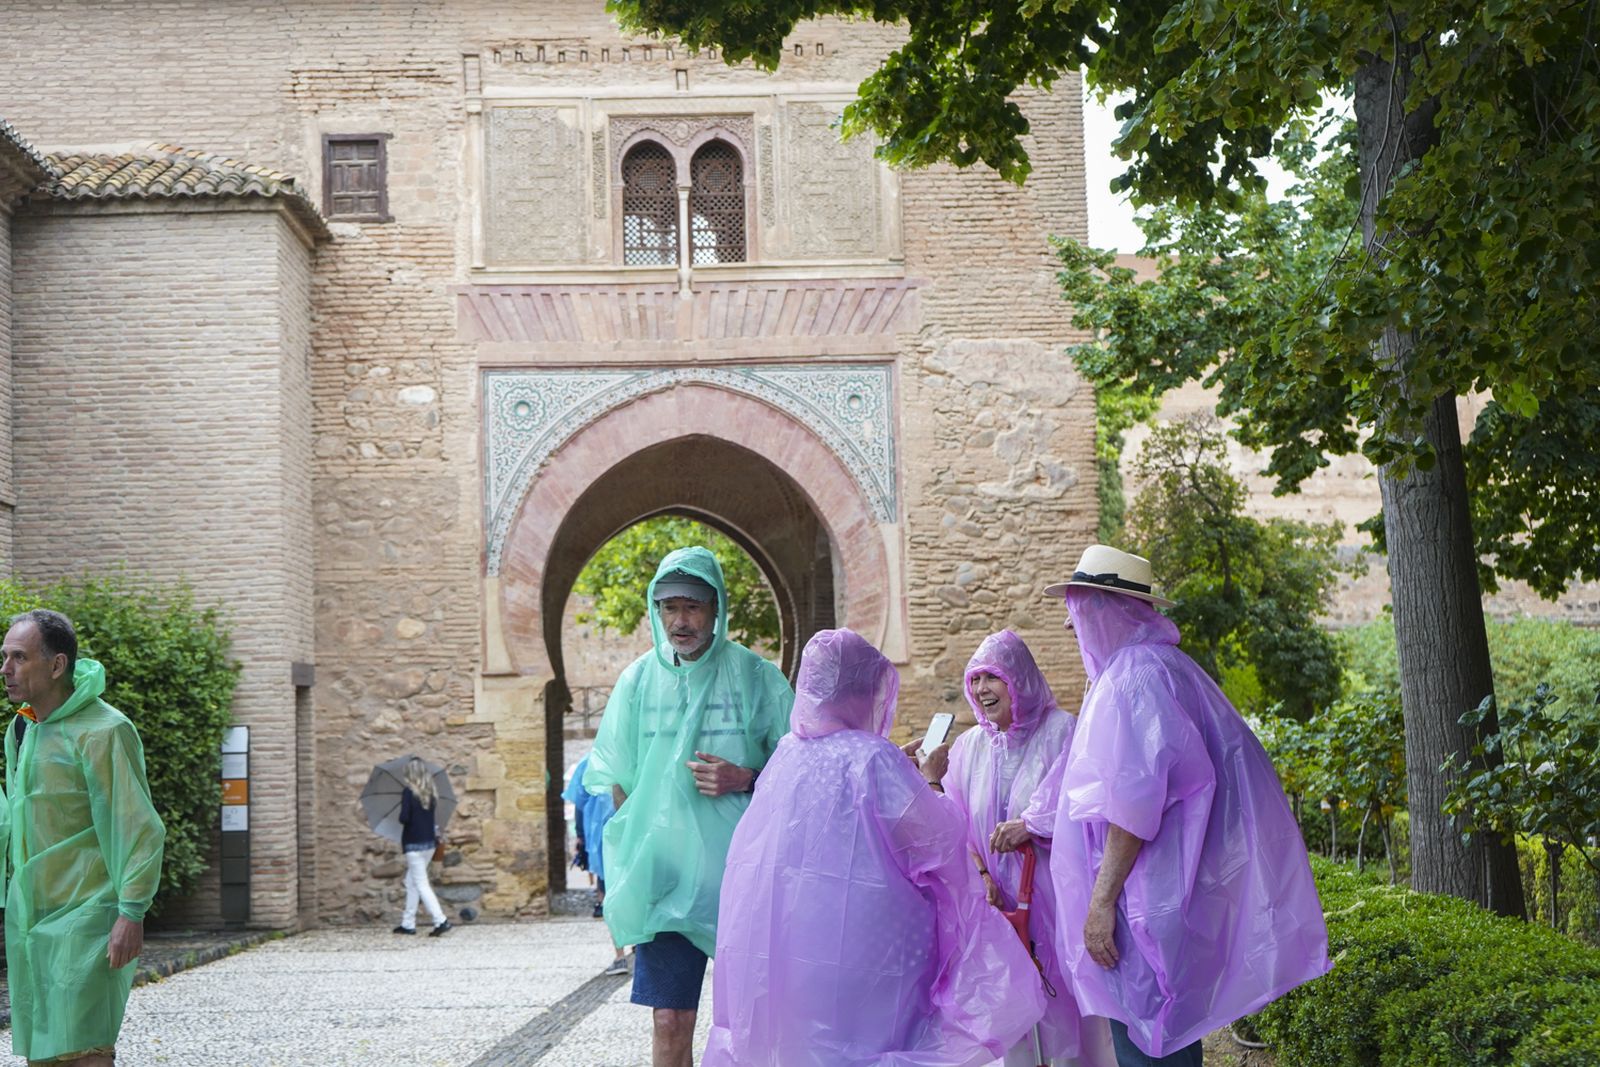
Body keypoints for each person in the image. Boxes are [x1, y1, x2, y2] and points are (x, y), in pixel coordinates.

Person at [1022, 545, 1329, 1066]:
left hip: (1141, 902)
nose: (1071, 623)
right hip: (1162, 896)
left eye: (1078, 606)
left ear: (1106, 608)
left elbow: (1131, 807)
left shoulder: (1134, 679)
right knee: (1167, 1034)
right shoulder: (1165, 667)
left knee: (1149, 1040)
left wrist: (1101, 903)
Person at [704, 628, 1046, 1067]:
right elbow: (937, 840)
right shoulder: (873, 758)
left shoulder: (788, 754)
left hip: (794, 948)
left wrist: (893, 764)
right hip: (868, 954)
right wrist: (928, 780)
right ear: (864, 691)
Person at [584, 546, 793, 1067]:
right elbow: (618, 779)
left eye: (693, 606)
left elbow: (801, 773)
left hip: (743, 877)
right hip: (666, 880)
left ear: (716, 606)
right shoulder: (637, 682)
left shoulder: (755, 677)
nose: (680, 620)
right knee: (669, 1019)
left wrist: (745, 778)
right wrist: (640, 856)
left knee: (753, 1020)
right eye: (669, 607)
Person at [930, 631, 1116, 1067]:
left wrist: (1031, 825)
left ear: (1019, 679)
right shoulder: (970, 747)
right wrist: (981, 874)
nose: (982, 689)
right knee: (1009, 1011)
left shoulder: (1061, 732)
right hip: (997, 906)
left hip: (1053, 899)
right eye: (975, 680)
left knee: (1063, 1005)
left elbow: (1078, 799)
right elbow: (954, 823)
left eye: (992, 677)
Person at [1, 609, 166, 1067]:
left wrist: (131, 911)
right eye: (4, 656)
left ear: (57, 665)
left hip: (91, 916)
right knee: (44, 1051)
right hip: (31, 921)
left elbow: (136, 825)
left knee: (86, 1048)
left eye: (19, 657)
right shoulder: (21, 729)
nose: (6, 669)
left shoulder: (105, 730)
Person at [562, 754, 628, 974]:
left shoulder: (588, 762)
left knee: (608, 895)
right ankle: (639, 946)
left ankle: (620, 955)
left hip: (603, 838)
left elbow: (579, 804)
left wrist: (581, 835)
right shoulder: (636, 754)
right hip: (633, 836)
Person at [393, 756, 451, 937]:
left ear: (410, 773)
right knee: (411, 882)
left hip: (414, 844)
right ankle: (408, 923)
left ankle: (441, 920)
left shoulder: (408, 792)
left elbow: (404, 818)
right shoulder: (430, 793)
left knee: (421, 884)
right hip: (429, 844)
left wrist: (402, 809)